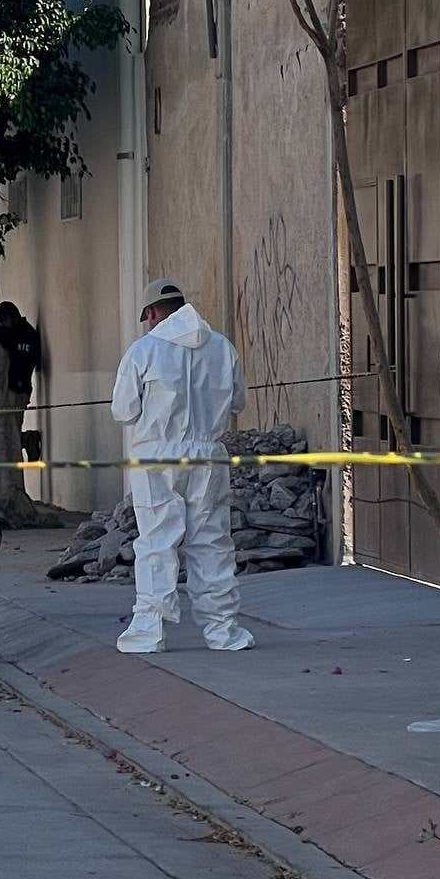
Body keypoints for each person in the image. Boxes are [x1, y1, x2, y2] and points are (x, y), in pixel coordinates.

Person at [110, 279, 253, 654]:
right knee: (212, 543)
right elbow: (238, 402)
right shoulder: (222, 347)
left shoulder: (143, 351)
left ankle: (149, 632)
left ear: (152, 313)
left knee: (157, 543)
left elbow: (124, 411)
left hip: (156, 457)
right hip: (207, 457)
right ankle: (223, 631)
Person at [0, 302, 42, 406]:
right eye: (0, 320)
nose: (1, 323)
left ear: (13, 318)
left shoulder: (27, 334)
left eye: (4, 319)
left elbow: (27, 362)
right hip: (6, 389)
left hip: (19, 390)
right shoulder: (3, 332)